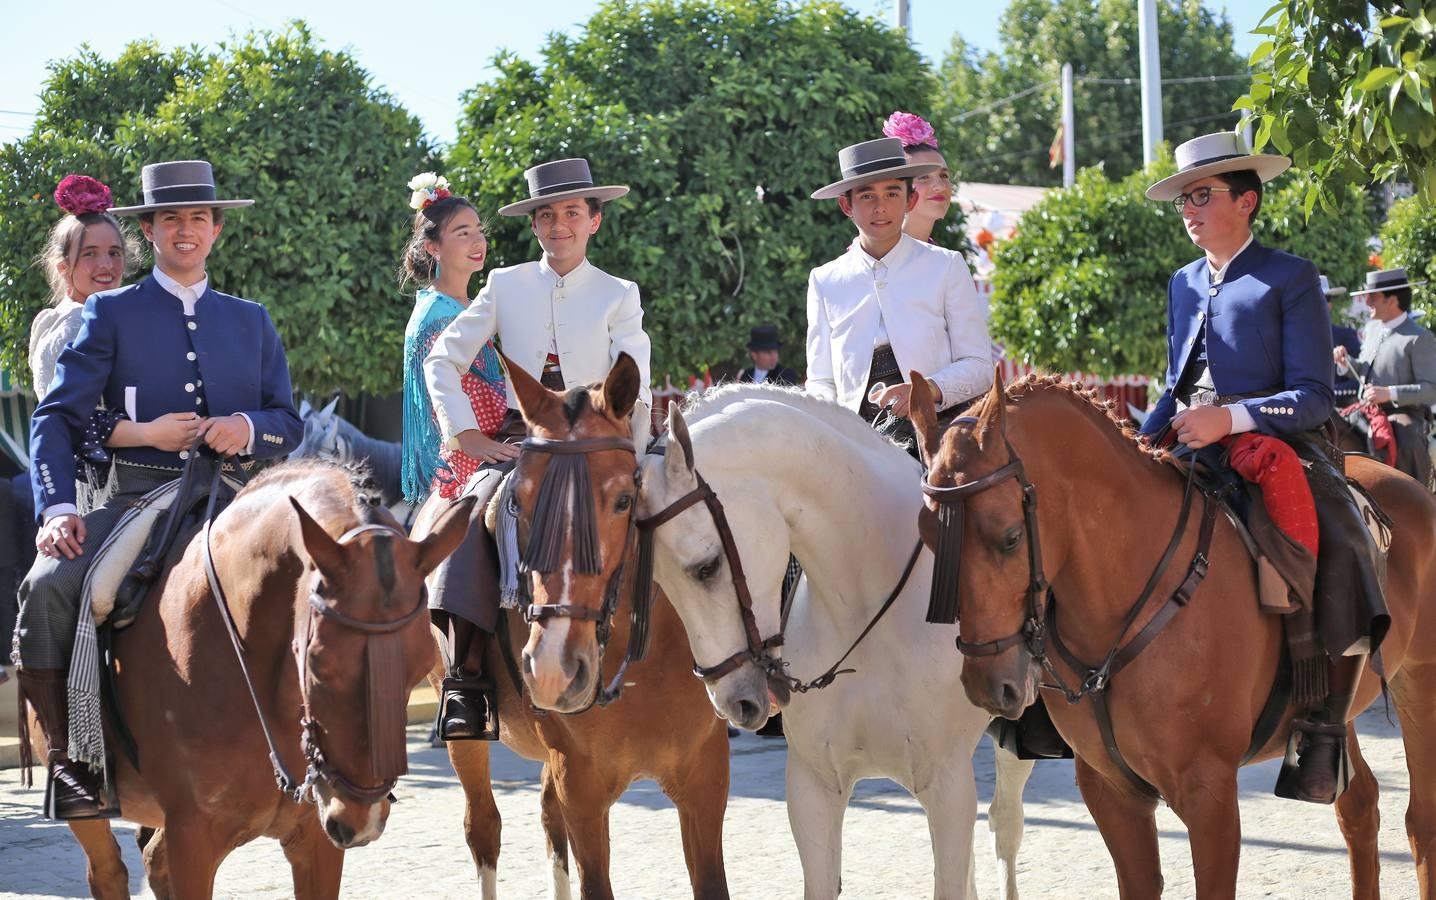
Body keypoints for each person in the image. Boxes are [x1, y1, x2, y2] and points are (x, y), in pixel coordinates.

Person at [14, 160, 302, 818]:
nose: (185, 229)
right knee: (47, 587)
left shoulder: (251, 320)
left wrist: (245, 426)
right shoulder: (111, 313)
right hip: (141, 497)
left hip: (240, 500)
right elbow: (58, 418)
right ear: (151, 228)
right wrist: (57, 508)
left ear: (217, 228)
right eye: (170, 218)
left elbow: (288, 423)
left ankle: (340, 753)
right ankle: (73, 759)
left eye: (198, 217)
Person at [1141, 131, 1386, 804]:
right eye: (1183, 199)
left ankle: (1322, 726)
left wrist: (1232, 418)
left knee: (1340, 541)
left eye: (1202, 195)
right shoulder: (1182, 282)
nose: (1189, 209)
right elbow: (1172, 382)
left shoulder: (1290, 275)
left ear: (1246, 201)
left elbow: (1312, 395)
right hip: (1189, 439)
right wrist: (1136, 438)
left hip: (1280, 441)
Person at [423, 157, 652, 741]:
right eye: (547, 215)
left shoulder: (619, 294)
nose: (559, 225)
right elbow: (441, 359)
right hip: (523, 443)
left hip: (600, 449)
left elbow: (636, 388)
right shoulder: (504, 285)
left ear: (594, 221)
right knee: (467, 518)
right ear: (535, 225)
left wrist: (640, 456)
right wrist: (464, 435)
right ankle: (466, 679)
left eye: (572, 213)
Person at [805, 136, 992, 449]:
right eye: (867, 196)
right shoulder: (825, 280)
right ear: (846, 205)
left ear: (910, 201)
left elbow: (979, 365)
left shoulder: (946, 266)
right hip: (854, 443)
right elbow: (821, 379)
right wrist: (830, 422)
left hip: (940, 435)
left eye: (892, 193)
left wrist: (927, 390)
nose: (880, 207)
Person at [28, 175, 201, 514]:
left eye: (114, 253)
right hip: (98, 493)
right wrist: (151, 433)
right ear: (64, 267)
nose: (106, 265)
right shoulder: (74, 324)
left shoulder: (105, 316)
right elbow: (70, 425)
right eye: (90, 254)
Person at [399, 173, 511, 505]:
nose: (478, 242)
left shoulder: (460, 305)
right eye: (463, 234)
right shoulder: (441, 314)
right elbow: (464, 395)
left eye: (479, 232)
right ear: (433, 247)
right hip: (470, 446)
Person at [1338, 267, 1436, 486]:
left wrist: (1388, 393)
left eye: (1372, 297)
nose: (1367, 302)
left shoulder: (1420, 338)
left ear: (1392, 300)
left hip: (1402, 413)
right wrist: (1346, 363)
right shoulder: (1372, 328)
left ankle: (1418, 501)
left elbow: (1431, 389)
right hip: (1364, 409)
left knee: (1407, 439)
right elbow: (1365, 368)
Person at [882, 111, 953, 245]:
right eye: (923, 177)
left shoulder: (944, 259)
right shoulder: (873, 256)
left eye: (944, 176)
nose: (940, 186)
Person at [1324, 276, 1361, 403]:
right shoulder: (1294, 339)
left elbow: (1360, 379)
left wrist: (1327, 392)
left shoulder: (1345, 336)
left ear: (1329, 305)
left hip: (1340, 409)